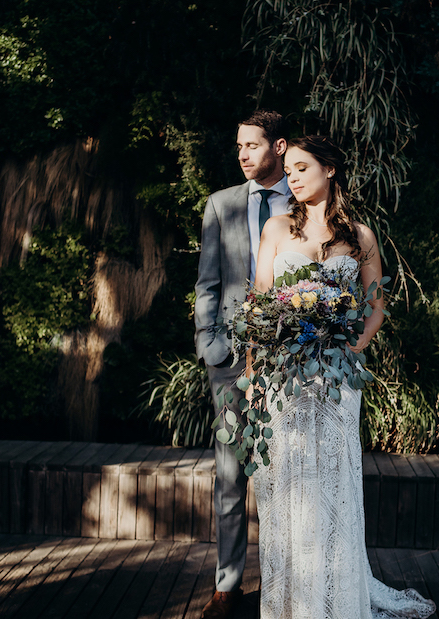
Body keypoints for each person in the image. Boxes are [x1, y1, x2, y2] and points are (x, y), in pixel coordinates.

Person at [251, 135, 436, 618]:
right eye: (287, 169)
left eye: (300, 167)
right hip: (284, 376)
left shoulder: (360, 236)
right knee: (289, 480)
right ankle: (294, 603)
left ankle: (336, 600)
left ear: (330, 170)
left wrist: (346, 349)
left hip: (336, 379)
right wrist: (255, 372)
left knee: (332, 480)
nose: (290, 176)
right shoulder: (275, 229)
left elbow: (376, 307)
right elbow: (259, 302)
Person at [194, 108, 292, 619]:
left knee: (289, 475)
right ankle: (227, 587)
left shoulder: (306, 201)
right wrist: (209, 345)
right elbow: (207, 283)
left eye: (252, 145)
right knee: (230, 475)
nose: (242, 154)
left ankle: (283, 586)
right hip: (231, 363)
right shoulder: (221, 204)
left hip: (295, 363)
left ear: (279, 147)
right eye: (238, 147)